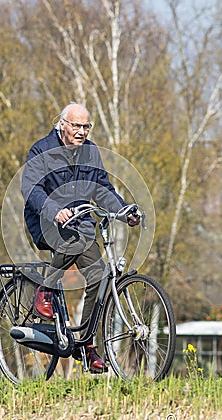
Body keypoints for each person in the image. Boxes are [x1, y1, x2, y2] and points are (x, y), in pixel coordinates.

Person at [21, 102, 140, 373]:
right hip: (46, 221)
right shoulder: (42, 150)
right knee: (73, 241)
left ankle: (85, 344)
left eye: (86, 126)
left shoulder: (91, 152)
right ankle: (46, 288)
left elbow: (101, 188)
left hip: (80, 224)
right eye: (76, 125)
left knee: (98, 277)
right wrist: (54, 210)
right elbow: (30, 188)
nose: (82, 131)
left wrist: (123, 211)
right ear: (62, 124)